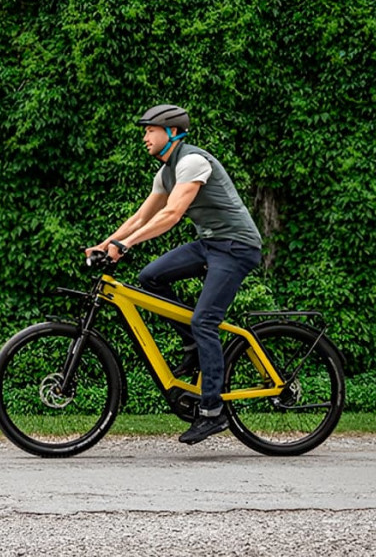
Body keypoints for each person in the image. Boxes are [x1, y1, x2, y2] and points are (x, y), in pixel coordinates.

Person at [86, 104, 262, 445]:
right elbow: (140, 218)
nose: (144, 137)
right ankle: (194, 344)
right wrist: (106, 243)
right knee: (151, 276)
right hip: (211, 244)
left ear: (171, 132)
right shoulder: (165, 173)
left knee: (205, 321)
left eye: (150, 130)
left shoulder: (192, 161)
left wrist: (127, 244)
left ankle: (212, 412)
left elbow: (172, 214)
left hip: (236, 246)